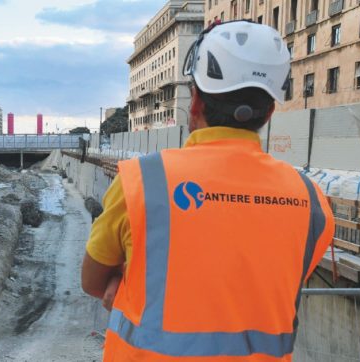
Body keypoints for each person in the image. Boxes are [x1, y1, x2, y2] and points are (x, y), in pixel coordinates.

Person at [81, 20, 335, 361]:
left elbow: (94, 281)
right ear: (271, 110)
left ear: (196, 101)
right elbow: (269, 281)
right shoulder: (311, 200)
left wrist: (123, 285)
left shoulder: (142, 181)